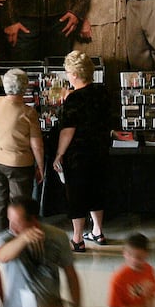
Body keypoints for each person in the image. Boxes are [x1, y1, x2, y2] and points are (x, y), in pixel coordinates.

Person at [52, 50, 116, 253]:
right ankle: (98, 231)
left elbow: (67, 131)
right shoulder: (102, 92)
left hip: (78, 155)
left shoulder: (74, 99)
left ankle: (78, 239)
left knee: (77, 194)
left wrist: (59, 154)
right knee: (97, 190)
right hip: (100, 150)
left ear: (74, 74)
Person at [0, 68, 44, 232]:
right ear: (25, 87)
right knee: (18, 203)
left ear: (5, 86)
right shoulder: (29, 113)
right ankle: (18, 236)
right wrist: (40, 167)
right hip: (19, 164)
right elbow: (37, 145)